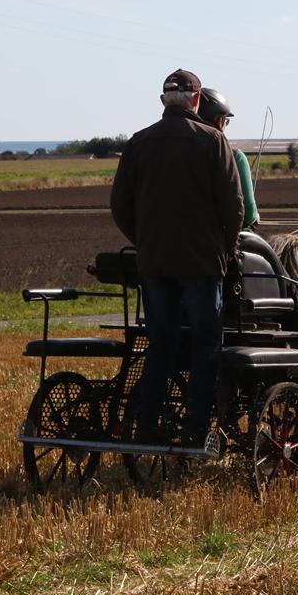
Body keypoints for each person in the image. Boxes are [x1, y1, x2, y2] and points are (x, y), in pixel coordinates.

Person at [110, 69, 244, 446]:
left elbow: (120, 206)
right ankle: (194, 430)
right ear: (197, 100)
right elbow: (234, 207)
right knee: (205, 346)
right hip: (202, 265)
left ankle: (147, 424)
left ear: (162, 101)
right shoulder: (213, 141)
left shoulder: (138, 143)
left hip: (154, 265)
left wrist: (146, 241)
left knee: (160, 345)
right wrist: (224, 247)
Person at [197, 87, 260, 229]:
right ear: (220, 121)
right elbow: (248, 214)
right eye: (226, 121)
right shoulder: (236, 157)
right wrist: (254, 215)